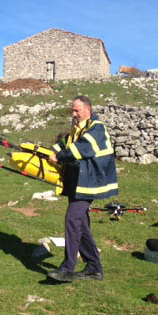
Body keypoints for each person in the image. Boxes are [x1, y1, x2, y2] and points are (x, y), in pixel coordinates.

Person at [46, 95, 119, 283]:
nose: (74, 113)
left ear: (88, 110)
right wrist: (47, 153)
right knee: (82, 224)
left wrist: (60, 157)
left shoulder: (97, 128)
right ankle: (94, 268)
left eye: (77, 110)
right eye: (73, 110)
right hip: (79, 182)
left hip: (91, 183)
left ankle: (67, 268)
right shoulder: (77, 130)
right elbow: (64, 145)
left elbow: (82, 149)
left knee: (72, 218)